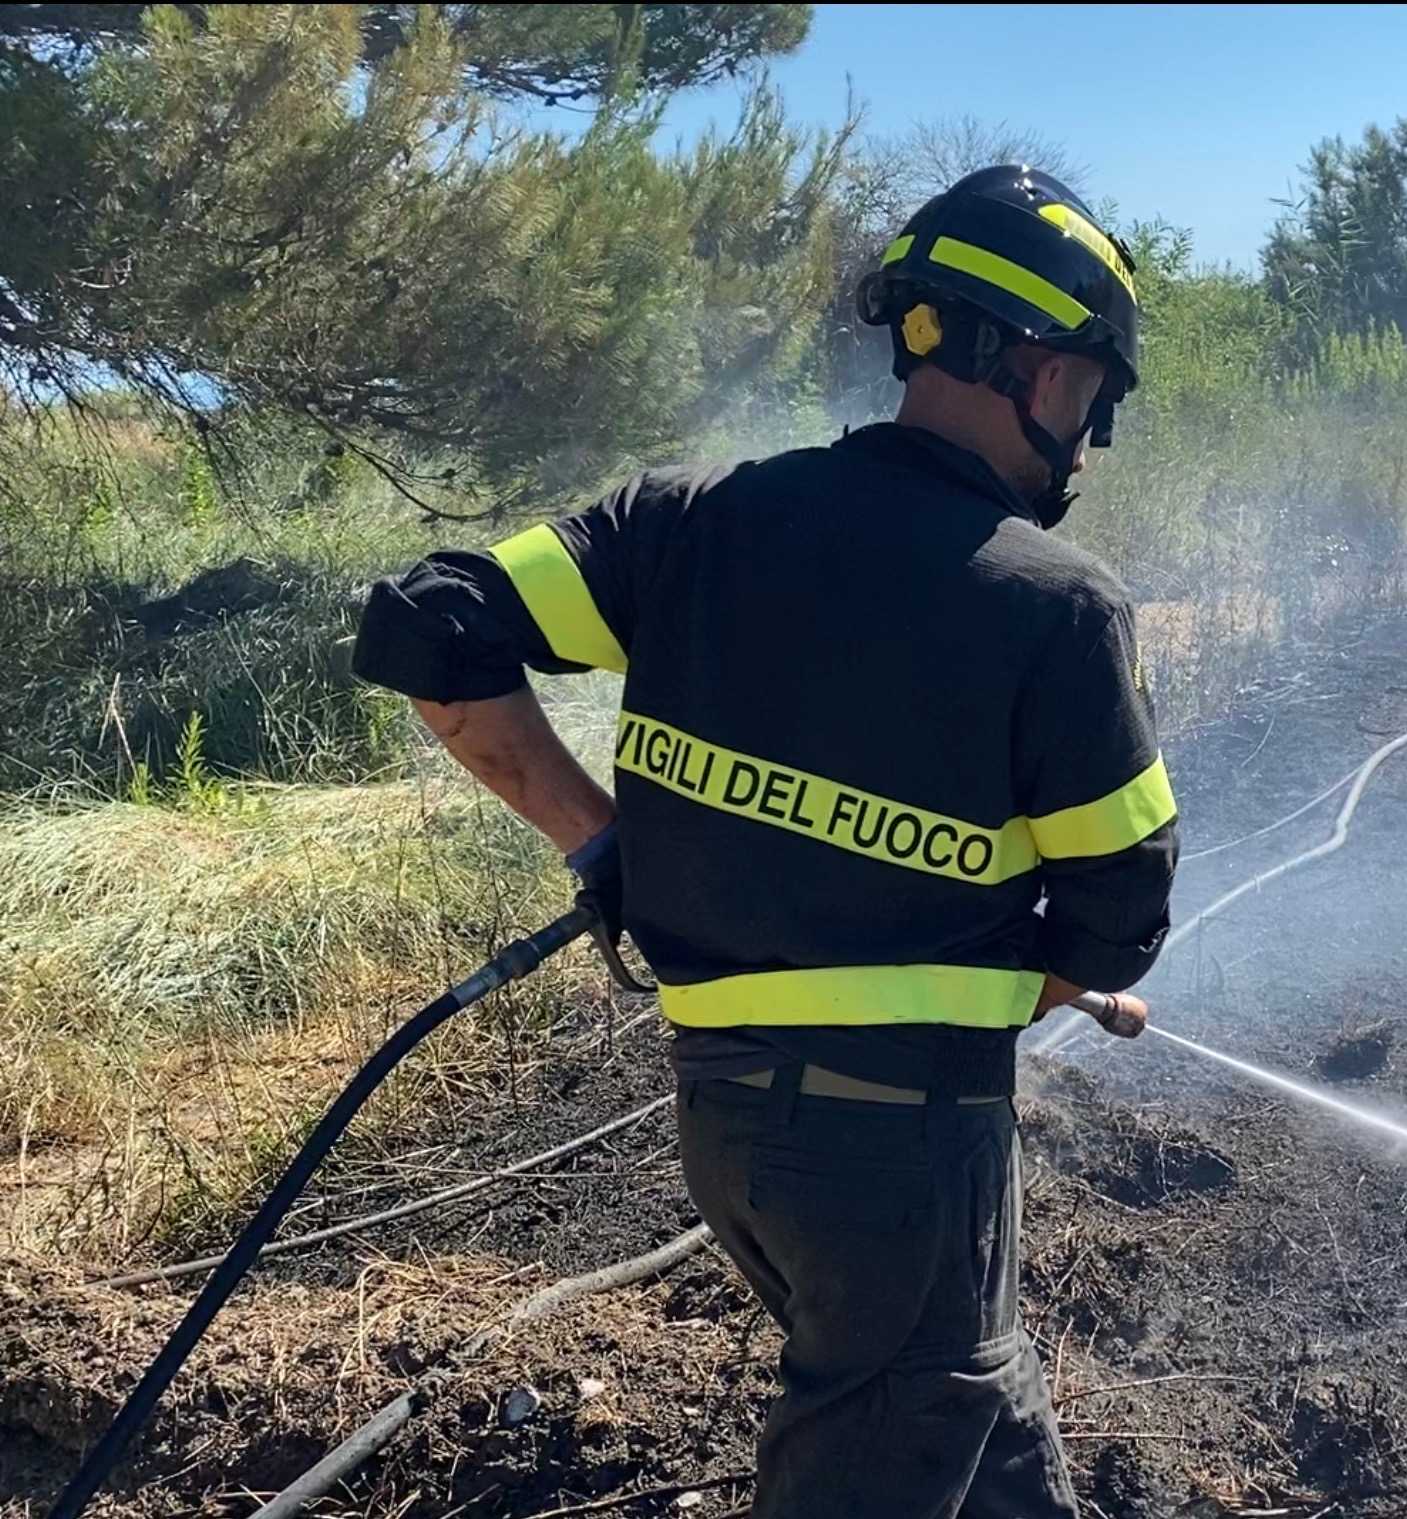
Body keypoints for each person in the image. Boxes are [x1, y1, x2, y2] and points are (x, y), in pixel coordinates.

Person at [350, 166, 1177, 1518]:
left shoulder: (694, 521)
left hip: (730, 1124)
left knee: (973, 1420)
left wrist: (602, 845)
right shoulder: (1053, 605)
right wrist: (1047, 969)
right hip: (897, 1151)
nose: (1086, 445)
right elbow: (1118, 914)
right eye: (1089, 393)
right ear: (1015, 360)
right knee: (893, 1439)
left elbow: (432, 628)